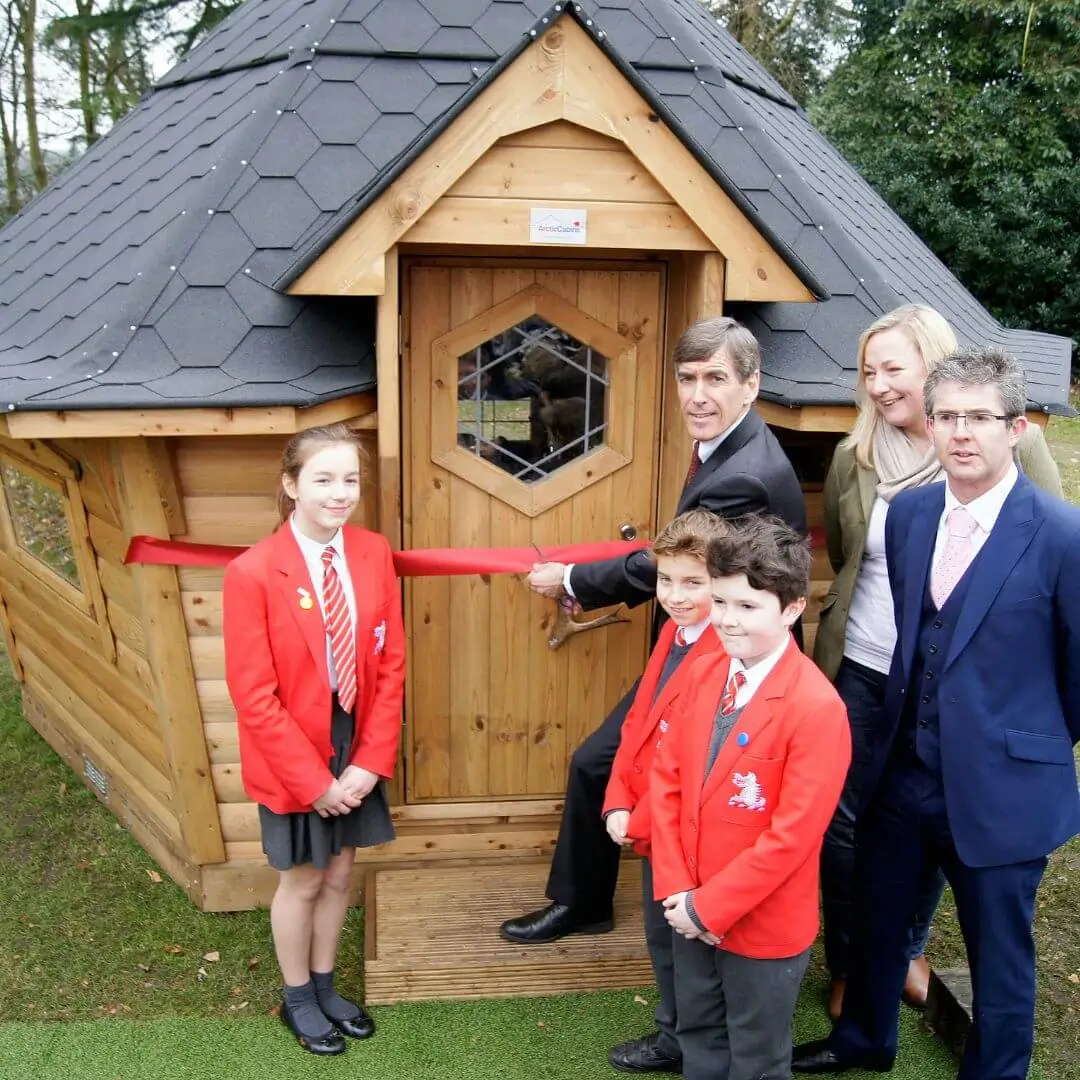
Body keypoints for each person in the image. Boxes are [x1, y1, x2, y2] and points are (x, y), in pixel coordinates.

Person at [792, 347, 1080, 1080]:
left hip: (1004, 787)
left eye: (979, 417)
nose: (960, 432)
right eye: (947, 414)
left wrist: (1021, 742)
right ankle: (863, 1042)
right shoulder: (913, 513)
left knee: (1000, 955)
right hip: (904, 772)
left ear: (1016, 428)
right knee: (878, 922)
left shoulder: (1060, 535)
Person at [499, 318, 806, 974]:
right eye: (688, 378)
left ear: (751, 385)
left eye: (715, 379)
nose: (697, 394)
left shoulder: (742, 474)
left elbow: (670, 564)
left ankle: (651, 928)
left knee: (639, 778)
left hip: (722, 663)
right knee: (599, 765)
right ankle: (587, 901)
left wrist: (575, 580)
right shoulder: (731, 445)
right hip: (698, 646)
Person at [222, 423, 405, 1057]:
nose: (340, 493)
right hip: (291, 749)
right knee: (302, 878)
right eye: (323, 479)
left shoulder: (373, 552)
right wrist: (316, 783)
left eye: (350, 479)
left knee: (341, 871)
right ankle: (298, 997)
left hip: (355, 737)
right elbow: (253, 697)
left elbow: (391, 664)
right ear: (290, 486)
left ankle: (326, 985)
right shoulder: (251, 573)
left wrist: (370, 762)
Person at [651, 516, 850, 1080]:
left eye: (747, 606)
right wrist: (678, 892)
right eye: (720, 602)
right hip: (686, 906)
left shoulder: (816, 708)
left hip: (760, 927)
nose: (727, 620)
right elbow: (666, 782)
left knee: (758, 1059)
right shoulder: (705, 671)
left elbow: (792, 837)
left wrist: (708, 908)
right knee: (701, 1038)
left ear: (791, 610)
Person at [602, 509, 727, 1073]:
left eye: (692, 583)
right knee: (662, 939)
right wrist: (616, 801)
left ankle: (698, 1049)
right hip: (653, 828)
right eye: (665, 580)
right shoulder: (674, 631)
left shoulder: (727, 651)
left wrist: (639, 819)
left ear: (722, 581)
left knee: (692, 951)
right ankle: (674, 1034)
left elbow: (691, 760)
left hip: (689, 834)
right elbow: (639, 724)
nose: (675, 596)